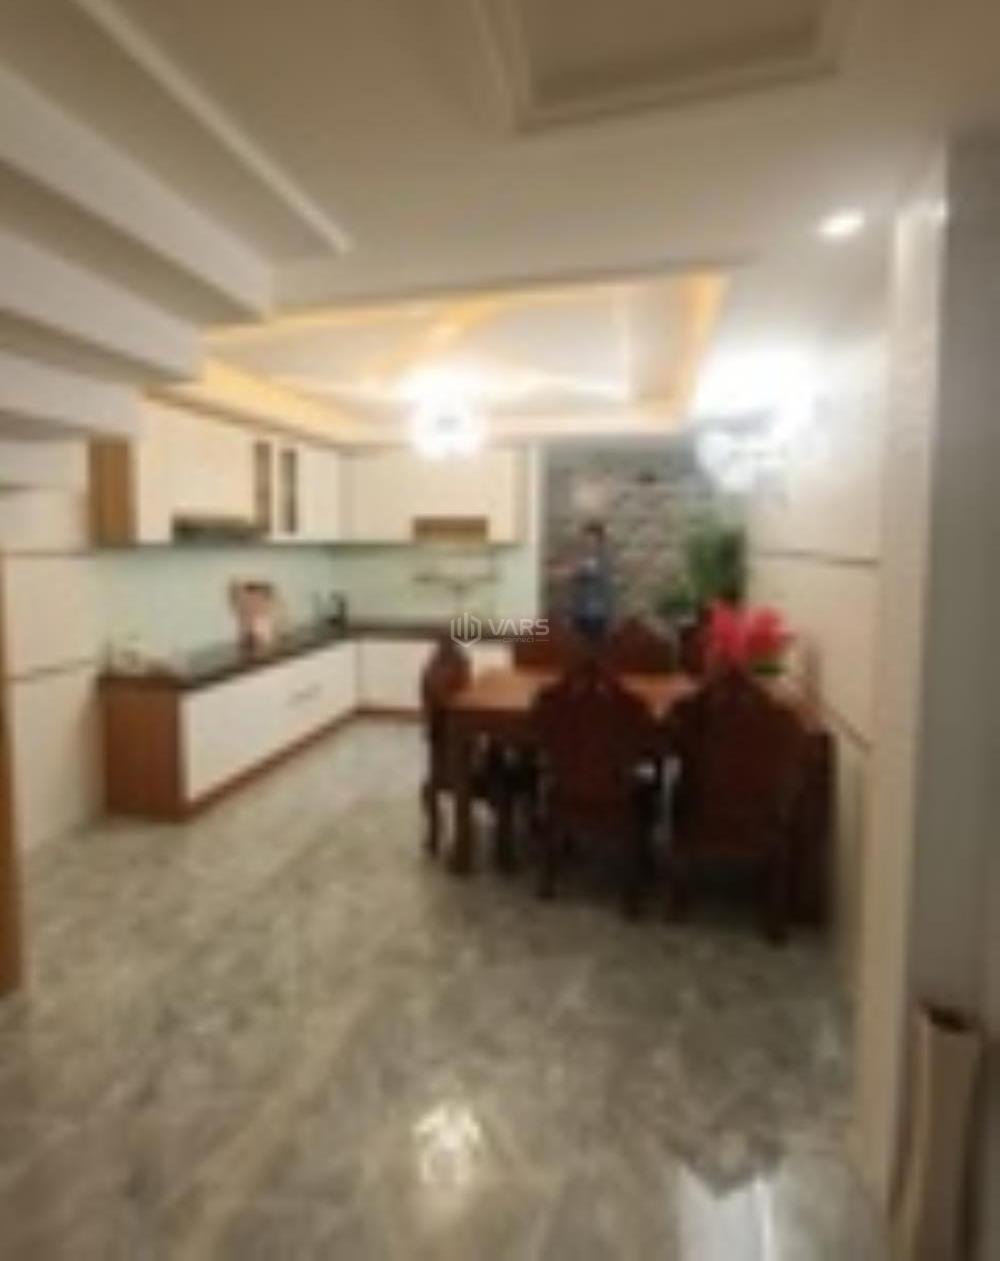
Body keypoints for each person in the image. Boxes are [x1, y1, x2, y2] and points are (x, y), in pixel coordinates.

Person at [553, 521, 615, 642]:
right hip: (579, 613)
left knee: (592, 646)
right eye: (585, 539)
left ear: (599, 542)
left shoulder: (600, 560)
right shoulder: (585, 558)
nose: (587, 543)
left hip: (595, 615)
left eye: (591, 540)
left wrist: (558, 572)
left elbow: (576, 571)